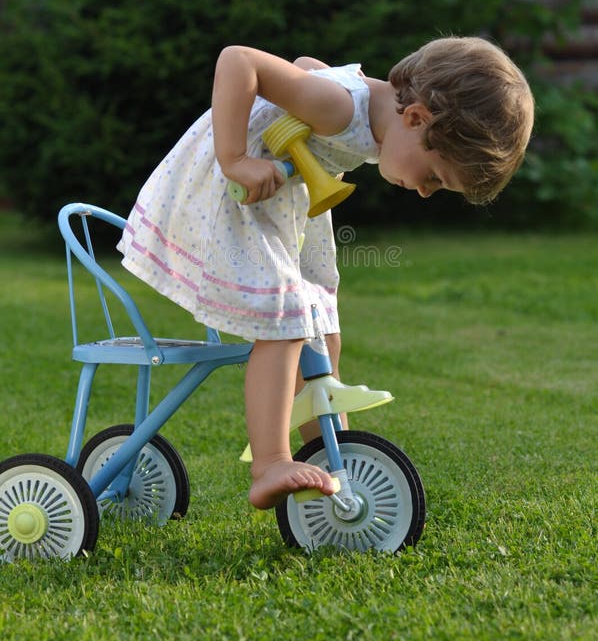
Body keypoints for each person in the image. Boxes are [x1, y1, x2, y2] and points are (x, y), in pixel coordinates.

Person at [118, 36, 534, 510]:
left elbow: (305, 67)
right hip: (234, 192)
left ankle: (323, 446)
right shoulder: (339, 107)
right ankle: (270, 463)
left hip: (281, 204)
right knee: (286, 320)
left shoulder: (365, 110)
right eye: (436, 177)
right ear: (415, 118)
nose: (424, 192)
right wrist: (236, 159)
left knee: (320, 318)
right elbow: (238, 61)